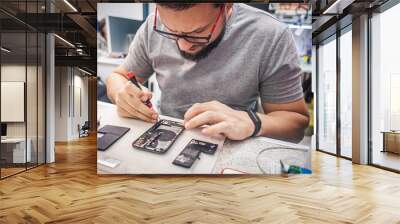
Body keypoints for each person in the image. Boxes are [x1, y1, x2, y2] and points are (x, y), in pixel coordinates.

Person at [106, 3, 309, 142]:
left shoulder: (271, 35)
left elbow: (296, 123)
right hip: (168, 136)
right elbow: (118, 76)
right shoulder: (152, 25)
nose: (183, 45)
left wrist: (253, 122)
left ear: (227, 7)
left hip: (231, 144)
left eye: (197, 33)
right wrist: (121, 94)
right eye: (171, 31)